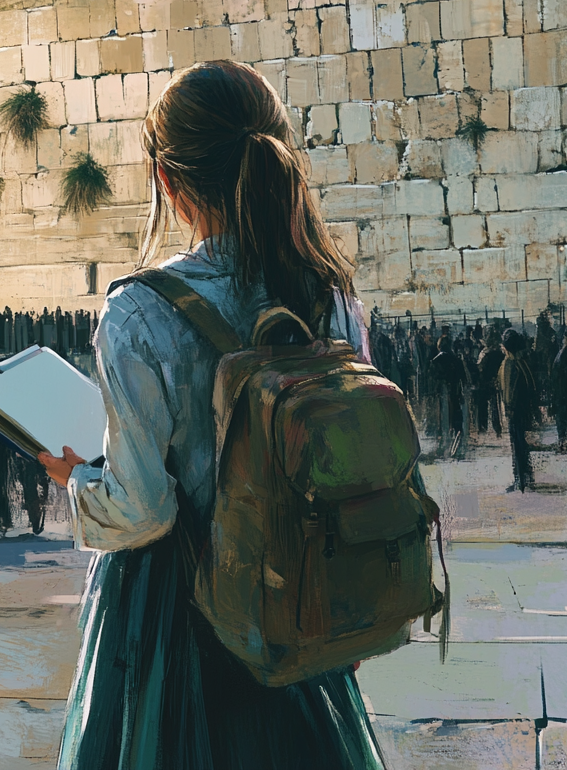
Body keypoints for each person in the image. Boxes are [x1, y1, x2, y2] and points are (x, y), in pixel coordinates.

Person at [39, 60, 386, 770]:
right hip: (299, 594)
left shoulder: (139, 312)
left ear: (168, 181)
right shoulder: (330, 295)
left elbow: (144, 509)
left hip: (178, 619)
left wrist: (75, 481)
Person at [498, 329, 538, 492]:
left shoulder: (510, 364)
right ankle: (525, 478)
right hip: (522, 410)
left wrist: (509, 409)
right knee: (522, 445)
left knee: (518, 445)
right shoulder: (521, 362)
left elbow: (509, 391)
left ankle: (520, 480)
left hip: (515, 411)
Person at [475, 326, 504, 437]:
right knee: (495, 406)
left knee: (487, 406)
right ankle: (497, 429)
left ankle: (484, 428)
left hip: (486, 382)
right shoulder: (500, 353)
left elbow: (480, 368)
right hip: (495, 382)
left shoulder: (485, 353)